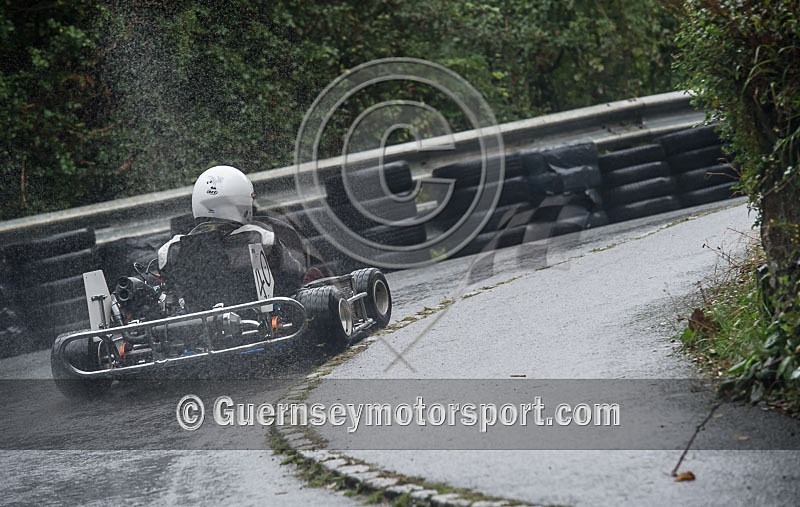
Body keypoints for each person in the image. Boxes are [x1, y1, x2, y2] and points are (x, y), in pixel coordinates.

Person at [157, 165, 312, 308]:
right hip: (258, 328)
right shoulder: (258, 237)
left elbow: (170, 294)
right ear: (241, 202)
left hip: (195, 332)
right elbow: (295, 276)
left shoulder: (170, 250)